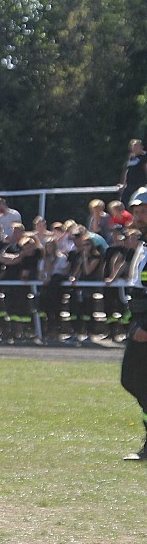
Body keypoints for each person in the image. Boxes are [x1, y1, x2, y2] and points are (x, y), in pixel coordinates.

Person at [121, 188, 147, 459]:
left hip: (145, 323)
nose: (139, 217)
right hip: (138, 318)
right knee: (134, 380)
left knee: (133, 378)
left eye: (143, 212)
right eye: (136, 212)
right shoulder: (142, 242)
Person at [119, 139, 146, 206]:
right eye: (133, 146)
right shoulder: (131, 157)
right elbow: (127, 171)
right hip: (129, 185)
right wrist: (123, 184)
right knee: (124, 203)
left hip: (140, 184)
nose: (135, 148)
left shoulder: (144, 157)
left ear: (141, 147)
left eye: (137, 146)